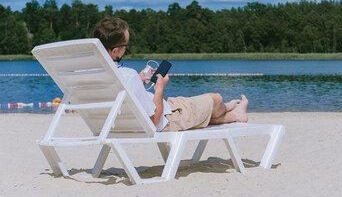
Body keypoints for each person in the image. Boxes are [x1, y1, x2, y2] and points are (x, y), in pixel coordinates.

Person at [92, 17, 248, 132]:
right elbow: (154, 122)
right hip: (166, 119)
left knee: (201, 105)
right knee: (215, 98)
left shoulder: (91, 74)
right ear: (115, 51)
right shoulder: (128, 76)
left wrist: (139, 82)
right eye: (126, 45)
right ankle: (229, 109)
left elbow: (122, 93)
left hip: (117, 124)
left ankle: (234, 115)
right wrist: (159, 88)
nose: (127, 48)